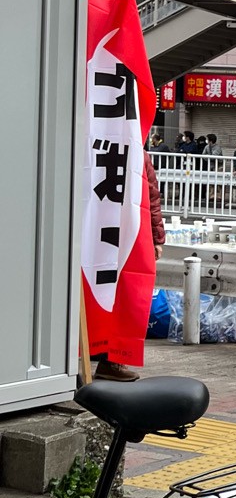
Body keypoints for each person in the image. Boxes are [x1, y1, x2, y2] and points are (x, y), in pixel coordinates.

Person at [95, 159, 167, 382]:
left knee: (121, 295)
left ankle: (111, 357)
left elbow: (151, 197)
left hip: (124, 232)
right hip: (103, 230)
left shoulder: (139, 151)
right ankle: (95, 356)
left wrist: (156, 237)